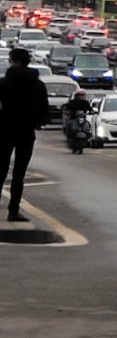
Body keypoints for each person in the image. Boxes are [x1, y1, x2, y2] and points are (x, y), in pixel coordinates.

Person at [0, 47, 50, 222]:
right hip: (26, 132)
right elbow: (44, 111)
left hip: (4, 130)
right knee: (19, 173)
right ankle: (13, 211)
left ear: (15, 61)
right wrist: (36, 121)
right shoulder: (37, 84)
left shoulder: (3, 83)